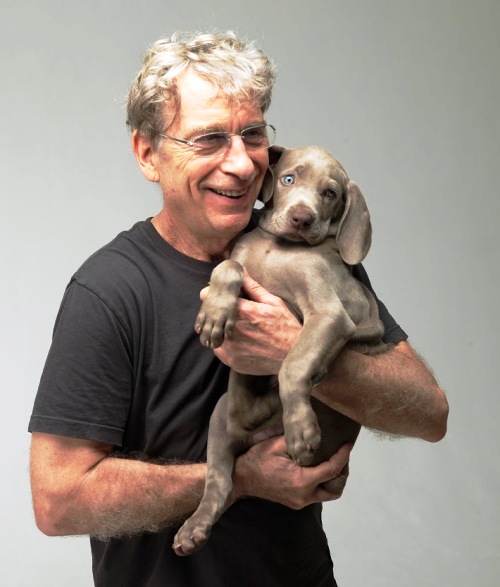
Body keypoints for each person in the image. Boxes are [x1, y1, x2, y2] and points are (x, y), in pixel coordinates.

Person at [28, 31, 448, 587]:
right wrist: (238, 479)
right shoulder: (110, 291)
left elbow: (428, 414)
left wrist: (294, 350)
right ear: (148, 154)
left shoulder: (307, 253)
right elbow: (58, 501)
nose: (240, 164)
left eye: (251, 135)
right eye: (207, 139)